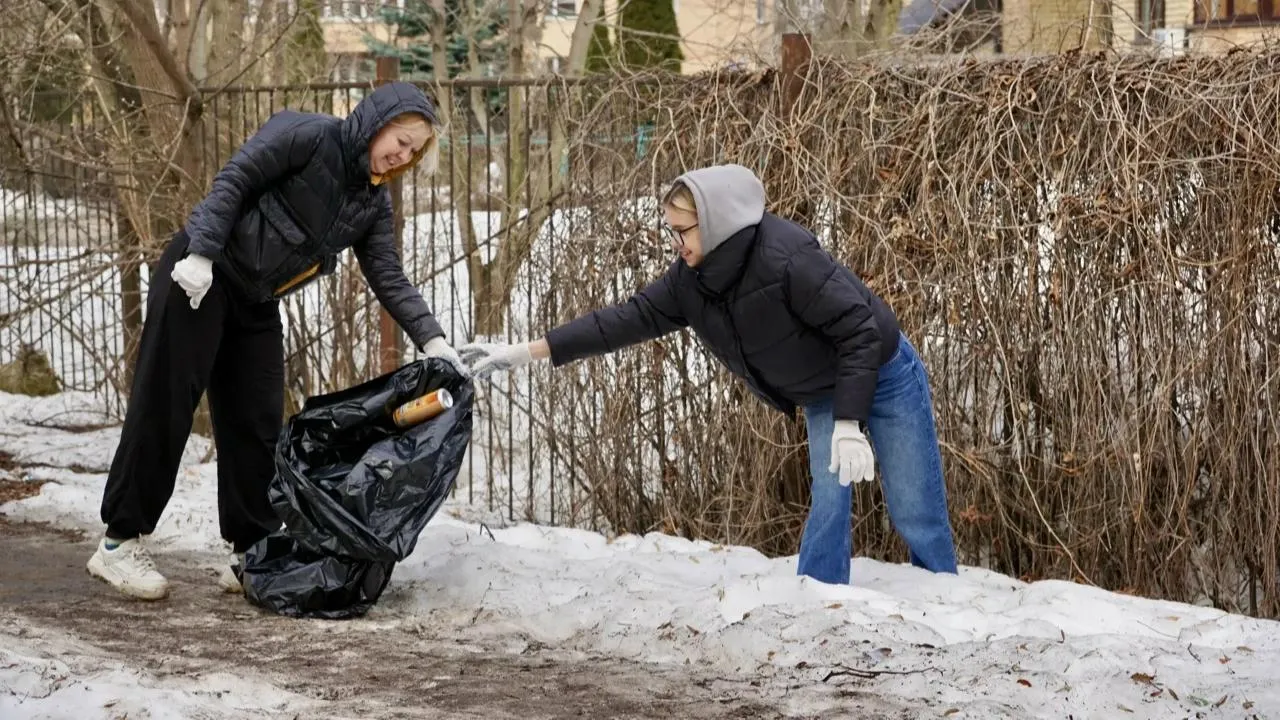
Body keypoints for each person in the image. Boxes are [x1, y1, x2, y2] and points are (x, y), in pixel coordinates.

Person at [459, 164, 958, 585]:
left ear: (717, 223)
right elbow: (622, 320)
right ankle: (819, 607)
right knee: (828, 506)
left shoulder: (787, 258)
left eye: (684, 230)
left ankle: (943, 601)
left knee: (915, 508)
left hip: (885, 370)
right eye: (671, 230)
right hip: (823, 389)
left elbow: (860, 331)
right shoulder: (689, 283)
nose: (676, 242)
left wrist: (850, 422)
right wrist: (529, 351)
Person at [88, 82, 467, 601]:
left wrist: (432, 339)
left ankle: (251, 549)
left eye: (413, 149)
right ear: (377, 120)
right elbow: (236, 179)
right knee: (167, 402)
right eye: (400, 139)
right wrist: (199, 253)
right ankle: (118, 542)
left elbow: (387, 272)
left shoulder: (371, 202)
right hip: (202, 274)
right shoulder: (309, 135)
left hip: (257, 298)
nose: (401, 154)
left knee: (256, 421)